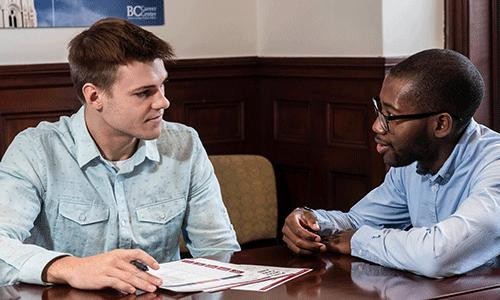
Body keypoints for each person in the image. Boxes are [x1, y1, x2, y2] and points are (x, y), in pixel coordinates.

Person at [0, 18, 240, 292]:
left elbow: (219, 250)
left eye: (162, 85)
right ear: (94, 97)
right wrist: (71, 267)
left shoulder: (184, 143)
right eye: (143, 93)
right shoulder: (36, 150)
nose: (163, 101)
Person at [282, 48, 500, 278]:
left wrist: (358, 240)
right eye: (379, 110)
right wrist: (312, 223)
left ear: (441, 125)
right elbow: (358, 221)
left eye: (391, 117)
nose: (377, 126)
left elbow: (438, 255)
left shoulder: (494, 166)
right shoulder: (412, 160)